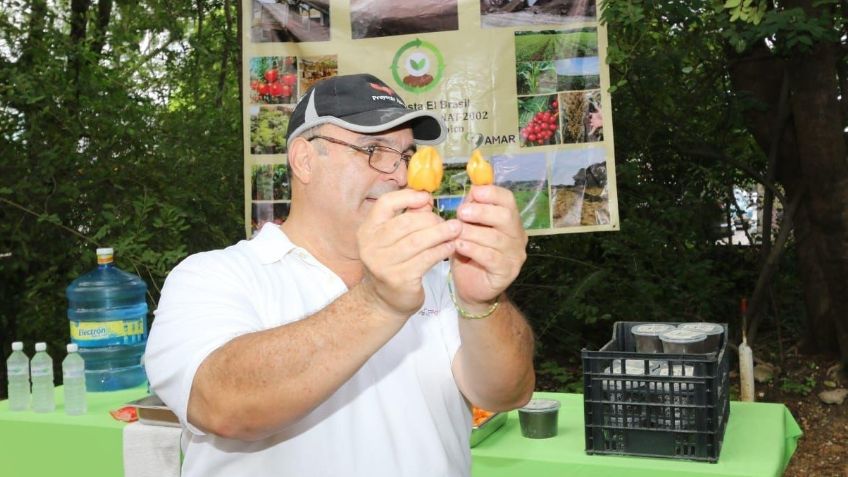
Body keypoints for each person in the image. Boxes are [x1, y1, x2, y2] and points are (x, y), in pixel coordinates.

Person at [144, 73, 535, 477]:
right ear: (304, 160)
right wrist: (378, 301)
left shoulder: (438, 276)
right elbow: (221, 405)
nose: (399, 176)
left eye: (405, 156)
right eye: (374, 150)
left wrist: (481, 301)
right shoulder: (213, 276)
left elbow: (507, 393)